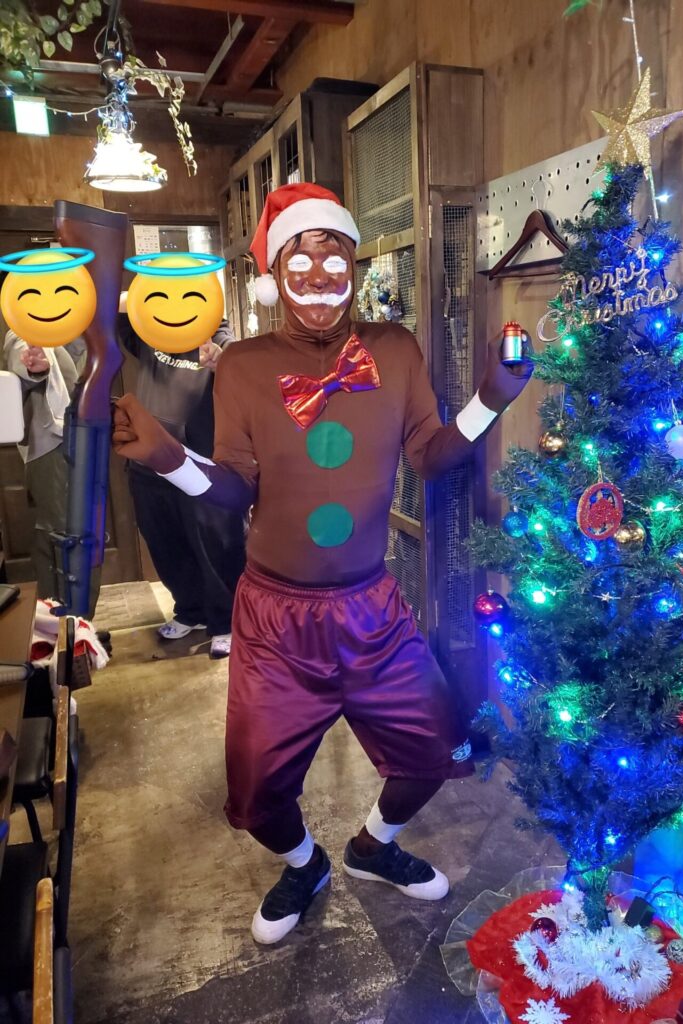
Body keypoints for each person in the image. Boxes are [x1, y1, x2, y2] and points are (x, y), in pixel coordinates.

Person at [111, 183, 533, 944]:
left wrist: (490, 399)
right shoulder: (243, 365)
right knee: (257, 790)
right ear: (274, 275)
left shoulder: (395, 349)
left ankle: (372, 847)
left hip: (372, 608)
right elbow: (233, 487)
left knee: (437, 750)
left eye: (333, 255)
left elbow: (432, 457)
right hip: (275, 619)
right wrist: (169, 458)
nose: (317, 272)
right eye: (299, 258)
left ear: (355, 269)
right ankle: (305, 866)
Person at [117, 300, 246, 660]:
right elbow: (122, 317)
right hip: (150, 464)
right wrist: (138, 294)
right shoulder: (151, 329)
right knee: (165, 545)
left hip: (201, 466)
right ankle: (190, 611)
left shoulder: (214, 329)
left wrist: (221, 359)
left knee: (217, 547)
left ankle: (227, 622)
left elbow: (235, 355)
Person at [3, 329, 97, 610]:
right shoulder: (25, 331)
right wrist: (35, 369)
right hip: (53, 450)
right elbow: (23, 359)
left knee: (79, 533)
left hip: (82, 442)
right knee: (64, 536)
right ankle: (66, 623)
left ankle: (76, 622)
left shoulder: (75, 328)